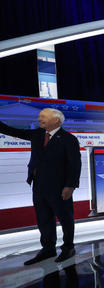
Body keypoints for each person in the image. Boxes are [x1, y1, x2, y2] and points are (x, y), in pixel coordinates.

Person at [0, 108, 81, 265]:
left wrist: (70, 186)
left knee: (65, 218)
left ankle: (68, 248)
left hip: (60, 187)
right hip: (38, 185)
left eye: (43, 117)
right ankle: (48, 248)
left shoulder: (68, 139)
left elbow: (75, 164)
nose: (39, 119)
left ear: (56, 120)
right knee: (43, 219)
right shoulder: (37, 134)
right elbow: (12, 131)